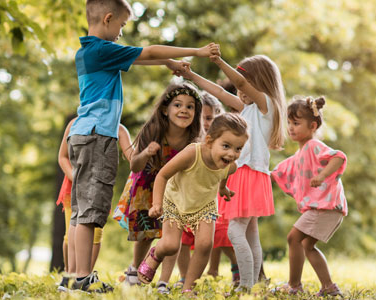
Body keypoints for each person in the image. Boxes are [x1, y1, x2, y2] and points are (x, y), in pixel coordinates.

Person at [67, 0, 218, 292]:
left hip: (83, 135)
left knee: (80, 211)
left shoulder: (88, 52)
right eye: (122, 26)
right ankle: (83, 278)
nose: (122, 32)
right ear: (108, 19)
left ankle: (74, 275)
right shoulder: (101, 49)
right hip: (98, 136)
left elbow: (141, 58)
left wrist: (167, 63)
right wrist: (195, 52)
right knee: (91, 212)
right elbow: (146, 52)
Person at [178, 53, 286, 290]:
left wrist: (218, 61)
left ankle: (244, 286)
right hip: (244, 174)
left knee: (236, 231)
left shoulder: (266, 105)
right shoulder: (247, 108)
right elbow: (220, 93)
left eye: (246, 84)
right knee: (250, 235)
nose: (240, 92)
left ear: (260, 82)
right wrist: (190, 75)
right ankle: (254, 284)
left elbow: (240, 84)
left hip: (249, 174)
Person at [135, 113, 248, 292]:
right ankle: (156, 253)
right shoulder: (192, 153)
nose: (232, 154)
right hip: (176, 201)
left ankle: (188, 289)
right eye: (226, 146)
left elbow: (224, 174)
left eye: (238, 148)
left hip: (205, 206)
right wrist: (157, 204)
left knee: (205, 245)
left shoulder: (230, 165)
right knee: (171, 245)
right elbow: (163, 175)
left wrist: (222, 189)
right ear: (209, 141)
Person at [112, 82, 203, 294]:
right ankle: (134, 270)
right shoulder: (153, 130)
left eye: (190, 107)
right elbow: (135, 165)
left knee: (172, 235)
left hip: (175, 189)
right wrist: (145, 153)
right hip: (147, 185)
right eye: (178, 105)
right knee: (147, 232)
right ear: (165, 109)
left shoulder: (194, 138)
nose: (184, 110)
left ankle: (163, 281)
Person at [272, 97, 347, 297]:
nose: (291, 128)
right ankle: (329, 287)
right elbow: (281, 170)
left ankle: (294, 285)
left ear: (312, 125)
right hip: (328, 207)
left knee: (293, 238)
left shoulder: (314, 145)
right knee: (306, 245)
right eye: (289, 123)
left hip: (326, 206)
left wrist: (322, 175)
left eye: (296, 123)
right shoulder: (301, 153)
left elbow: (338, 157)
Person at [56, 118, 133, 292]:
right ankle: (69, 276)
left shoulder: (118, 128)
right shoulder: (74, 124)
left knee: (95, 233)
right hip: (73, 188)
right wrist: (77, 179)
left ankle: (85, 277)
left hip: (97, 189)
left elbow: (132, 155)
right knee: (71, 234)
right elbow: (62, 157)